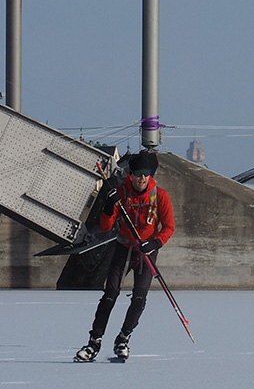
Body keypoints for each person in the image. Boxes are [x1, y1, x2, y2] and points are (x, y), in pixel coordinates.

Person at [74, 152, 175, 362]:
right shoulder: (120, 193)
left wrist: (155, 242)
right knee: (110, 292)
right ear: (131, 175)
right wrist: (109, 206)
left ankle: (123, 338)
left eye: (146, 174)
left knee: (139, 297)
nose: (142, 178)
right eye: (138, 174)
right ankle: (94, 341)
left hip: (146, 250)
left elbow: (168, 227)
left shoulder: (160, 196)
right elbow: (105, 226)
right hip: (124, 246)